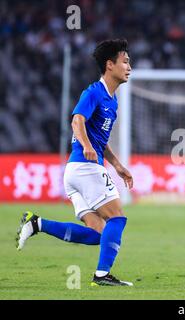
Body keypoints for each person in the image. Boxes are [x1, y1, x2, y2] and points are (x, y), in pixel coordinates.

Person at [16, 39, 134, 286]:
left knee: (97, 234)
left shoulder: (112, 101)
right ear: (109, 65)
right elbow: (77, 120)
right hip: (85, 168)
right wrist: (87, 146)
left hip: (75, 172)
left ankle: (37, 223)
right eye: (125, 61)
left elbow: (100, 140)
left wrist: (117, 165)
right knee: (117, 219)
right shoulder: (94, 92)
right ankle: (102, 275)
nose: (129, 67)